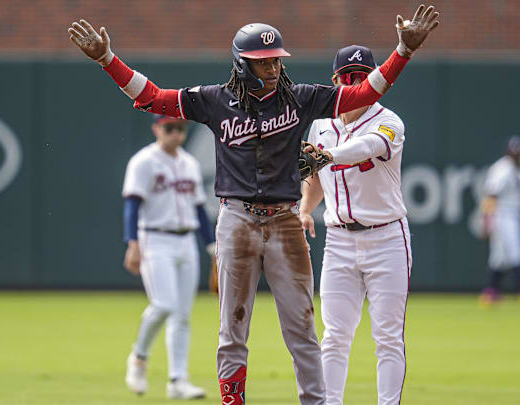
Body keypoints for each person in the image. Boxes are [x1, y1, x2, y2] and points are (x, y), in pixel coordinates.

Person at [68, 6, 439, 403]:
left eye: (276, 60)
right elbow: (154, 97)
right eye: (263, 63)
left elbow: (365, 93)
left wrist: (402, 50)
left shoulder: (299, 98)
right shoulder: (214, 100)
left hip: (284, 220)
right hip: (236, 219)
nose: (274, 68)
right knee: (233, 328)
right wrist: (108, 60)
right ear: (242, 65)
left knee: (303, 328)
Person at [299, 45, 412, 405]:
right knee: (334, 335)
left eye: (361, 78)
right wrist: (304, 209)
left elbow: (367, 147)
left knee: (388, 337)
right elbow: (315, 180)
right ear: (335, 82)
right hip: (339, 241)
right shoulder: (321, 126)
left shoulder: (388, 121)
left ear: (374, 81)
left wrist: (328, 155)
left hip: (387, 238)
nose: (354, 84)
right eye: (347, 78)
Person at [121, 115, 215, 399]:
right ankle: (138, 357)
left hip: (186, 240)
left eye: (180, 128)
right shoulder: (144, 161)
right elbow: (132, 204)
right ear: (156, 129)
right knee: (163, 305)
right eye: (169, 128)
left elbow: (200, 208)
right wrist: (132, 243)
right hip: (155, 237)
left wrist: (212, 248)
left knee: (182, 315)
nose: (175, 133)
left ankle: (178, 381)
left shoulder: (189, 163)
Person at [478, 136, 520, 309]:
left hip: (515, 215)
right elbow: (490, 195)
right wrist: (487, 222)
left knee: (499, 257)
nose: (515, 155)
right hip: (501, 214)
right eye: (512, 152)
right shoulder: (501, 169)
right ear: (507, 152)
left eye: (518, 152)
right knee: (516, 250)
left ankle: (490, 292)